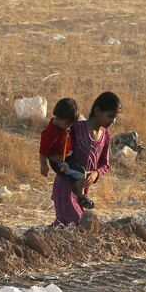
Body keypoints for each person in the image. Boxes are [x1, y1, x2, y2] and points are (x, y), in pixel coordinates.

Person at [52, 92, 120, 226]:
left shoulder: (105, 135)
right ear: (97, 111)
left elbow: (105, 164)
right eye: (110, 116)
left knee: (69, 228)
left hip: (82, 193)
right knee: (75, 225)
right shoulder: (76, 128)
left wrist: (95, 174)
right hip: (65, 187)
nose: (112, 121)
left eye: (115, 117)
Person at [39, 98, 95, 209]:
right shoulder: (50, 133)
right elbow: (43, 152)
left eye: (71, 123)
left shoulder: (63, 125)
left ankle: (58, 194)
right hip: (58, 162)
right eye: (68, 123)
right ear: (58, 118)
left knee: (77, 172)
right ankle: (81, 197)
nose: (70, 126)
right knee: (80, 173)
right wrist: (44, 165)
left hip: (67, 157)